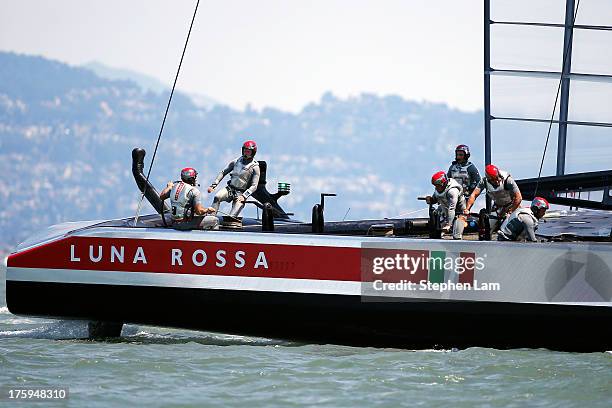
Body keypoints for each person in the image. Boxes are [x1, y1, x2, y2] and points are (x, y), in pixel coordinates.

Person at [208, 140, 261, 217]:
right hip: (230, 189)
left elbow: (254, 185)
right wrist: (214, 185)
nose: (246, 153)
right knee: (217, 197)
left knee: (232, 216)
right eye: (245, 151)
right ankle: (211, 218)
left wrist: (244, 196)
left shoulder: (255, 167)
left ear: (253, 152)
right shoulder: (236, 161)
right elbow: (223, 172)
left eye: (248, 152)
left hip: (241, 193)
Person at [464, 164, 522, 231]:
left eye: (497, 178)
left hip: (512, 206)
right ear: (488, 179)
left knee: (513, 229)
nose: (497, 181)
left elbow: (518, 197)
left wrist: (511, 211)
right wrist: (467, 209)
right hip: (498, 207)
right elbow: (474, 195)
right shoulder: (484, 182)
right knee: (487, 228)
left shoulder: (508, 180)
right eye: (493, 180)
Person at [425, 171, 467, 240]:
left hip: (459, 213)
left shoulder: (452, 191)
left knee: (457, 236)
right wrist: (430, 200)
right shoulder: (438, 189)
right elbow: (435, 199)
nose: (436, 187)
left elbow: (452, 208)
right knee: (436, 234)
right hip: (446, 212)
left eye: (437, 185)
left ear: (442, 183)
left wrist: (448, 224)